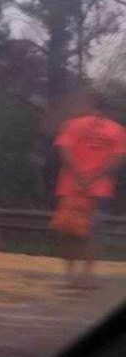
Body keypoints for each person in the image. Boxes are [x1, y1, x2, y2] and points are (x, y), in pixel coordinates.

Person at [52, 90, 126, 282]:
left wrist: (79, 176)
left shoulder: (72, 125)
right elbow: (117, 160)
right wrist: (94, 178)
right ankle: (86, 276)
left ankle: (69, 275)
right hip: (99, 190)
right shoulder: (117, 130)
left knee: (69, 232)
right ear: (108, 109)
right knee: (93, 233)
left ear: (91, 105)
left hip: (70, 188)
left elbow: (64, 151)